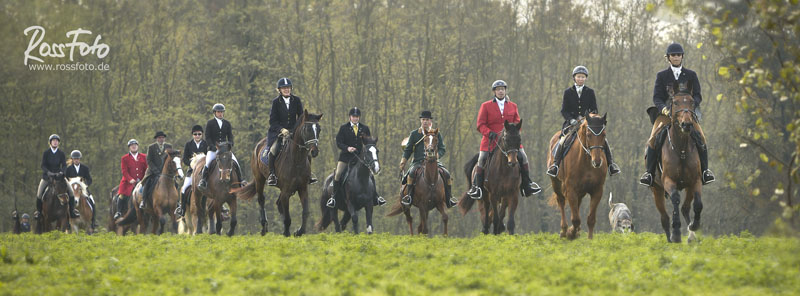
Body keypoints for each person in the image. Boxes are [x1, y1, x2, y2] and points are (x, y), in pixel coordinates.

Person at [639, 43, 715, 186]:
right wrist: (664, 109)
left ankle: (705, 171)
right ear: (668, 57)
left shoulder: (691, 75)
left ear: (682, 57)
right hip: (666, 114)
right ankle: (649, 173)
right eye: (673, 55)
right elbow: (657, 97)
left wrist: (691, 105)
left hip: (686, 114)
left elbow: (698, 95)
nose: (676, 57)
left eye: (678, 55)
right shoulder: (662, 75)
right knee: (653, 138)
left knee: (701, 137)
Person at [467, 80, 542, 199]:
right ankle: (477, 188)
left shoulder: (513, 106)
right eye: (498, 89)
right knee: (481, 159)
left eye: (502, 89)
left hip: (510, 142)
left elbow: (517, 122)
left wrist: (514, 133)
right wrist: (489, 133)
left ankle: (527, 185)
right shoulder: (485, 106)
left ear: (505, 91)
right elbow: (480, 125)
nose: (501, 91)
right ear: (494, 92)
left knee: (524, 157)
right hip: (491, 140)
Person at [546, 66, 621, 177]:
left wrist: (589, 118)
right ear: (574, 78)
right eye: (578, 77)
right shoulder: (568, 92)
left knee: (603, 141)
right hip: (572, 124)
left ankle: (611, 165)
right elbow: (564, 110)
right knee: (562, 141)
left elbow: (594, 109)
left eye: (583, 77)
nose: (580, 79)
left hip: (588, 123)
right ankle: (555, 165)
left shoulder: (590, 92)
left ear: (585, 78)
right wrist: (571, 119)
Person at [327, 107, 387, 208]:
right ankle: (333, 197)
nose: (355, 118)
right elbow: (339, 142)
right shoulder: (343, 128)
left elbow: (368, 143)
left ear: (359, 117)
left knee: (371, 175)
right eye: (353, 117)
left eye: (357, 117)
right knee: (338, 174)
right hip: (345, 157)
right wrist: (347, 148)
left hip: (360, 158)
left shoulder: (365, 128)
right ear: (350, 117)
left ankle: (376, 197)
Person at [398, 110, 458, 208]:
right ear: (421, 121)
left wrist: (438, 155)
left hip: (433, 161)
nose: (425, 121)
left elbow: (442, 148)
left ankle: (449, 198)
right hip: (418, 162)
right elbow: (408, 150)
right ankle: (408, 197)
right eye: (423, 119)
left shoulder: (436, 133)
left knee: (446, 174)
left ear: (430, 121)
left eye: (427, 119)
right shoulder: (414, 134)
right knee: (412, 173)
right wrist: (403, 161)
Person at [265, 77, 316, 186]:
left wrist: (295, 130)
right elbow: (272, 121)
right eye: (284, 88)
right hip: (278, 132)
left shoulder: (296, 100)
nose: (286, 90)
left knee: (306, 151)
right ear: (279, 90)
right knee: (273, 150)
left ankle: (309, 174)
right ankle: (272, 175)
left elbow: (301, 117)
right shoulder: (276, 102)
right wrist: (282, 129)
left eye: (288, 88)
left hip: (294, 132)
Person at [197, 104, 243, 190]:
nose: (220, 114)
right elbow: (207, 137)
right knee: (208, 163)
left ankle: (241, 181)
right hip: (213, 149)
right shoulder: (210, 123)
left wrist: (230, 144)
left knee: (236, 162)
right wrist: (212, 146)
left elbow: (230, 136)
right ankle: (203, 180)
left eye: (222, 112)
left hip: (225, 150)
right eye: (218, 112)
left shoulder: (227, 123)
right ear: (215, 113)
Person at [34, 134, 79, 219]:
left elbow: (64, 166)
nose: (55, 142)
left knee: (71, 192)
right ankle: (39, 212)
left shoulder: (61, 153)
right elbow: (43, 165)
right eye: (53, 141)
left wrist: (62, 172)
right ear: (50, 142)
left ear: (58, 143)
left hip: (59, 178)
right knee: (39, 194)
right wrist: (48, 172)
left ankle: (72, 211)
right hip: (47, 177)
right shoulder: (46, 153)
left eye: (56, 141)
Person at [139, 131, 179, 209]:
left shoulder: (169, 146)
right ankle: (143, 201)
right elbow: (149, 160)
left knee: (175, 184)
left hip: (166, 172)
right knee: (147, 183)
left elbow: (171, 159)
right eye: (159, 138)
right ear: (157, 139)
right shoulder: (151, 147)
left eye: (162, 138)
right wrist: (156, 171)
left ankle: (177, 202)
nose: (161, 139)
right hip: (153, 171)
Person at [176, 125, 208, 217]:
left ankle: (222, 209)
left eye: (199, 134)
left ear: (202, 134)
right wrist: (191, 164)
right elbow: (185, 158)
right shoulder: (188, 144)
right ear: (192, 135)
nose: (197, 136)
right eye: (195, 134)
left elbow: (208, 156)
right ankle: (182, 209)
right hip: (192, 171)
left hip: (204, 172)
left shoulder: (206, 144)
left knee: (214, 186)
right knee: (184, 188)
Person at [115, 139, 147, 219]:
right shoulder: (124, 158)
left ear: (138, 146)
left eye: (135, 145)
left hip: (142, 181)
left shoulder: (144, 156)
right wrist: (130, 179)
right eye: (132, 145)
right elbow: (124, 171)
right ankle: (119, 212)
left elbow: (147, 169)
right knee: (121, 195)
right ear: (129, 147)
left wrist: (144, 179)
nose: (134, 146)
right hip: (128, 182)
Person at [65, 150, 96, 227]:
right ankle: (67, 222)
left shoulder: (85, 168)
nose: (76, 160)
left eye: (78, 158)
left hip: (82, 189)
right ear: (72, 159)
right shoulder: (68, 169)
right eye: (75, 158)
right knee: (65, 203)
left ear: (79, 159)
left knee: (92, 201)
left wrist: (85, 185)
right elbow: (65, 179)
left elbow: (89, 179)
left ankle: (93, 222)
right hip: (72, 190)